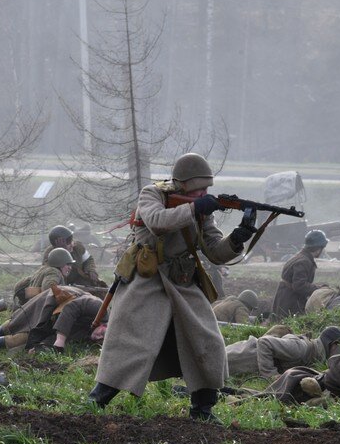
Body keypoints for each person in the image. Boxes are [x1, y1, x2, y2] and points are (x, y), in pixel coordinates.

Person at [88, 152, 255, 421]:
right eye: (200, 188)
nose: (205, 193)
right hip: (146, 281)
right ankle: (97, 401)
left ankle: (203, 409)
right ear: (185, 184)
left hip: (182, 281)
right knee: (131, 345)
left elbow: (214, 251)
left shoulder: (201, 209)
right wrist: (194, 209)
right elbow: (156, 221)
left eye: (207, 188)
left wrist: (238, 237)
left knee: (207, 341)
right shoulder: (152, 194)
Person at [0, 286, 107, 355]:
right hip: (47, 304)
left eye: (101, 341)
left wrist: (41, 347)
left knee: (18, 340)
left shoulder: (90, 334)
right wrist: (60, 340)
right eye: (102, 334)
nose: (98, 338)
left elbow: (68, 336)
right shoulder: (98, 307)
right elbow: (71, 307)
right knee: (14, 325)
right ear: (107, 325)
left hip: (51, 322)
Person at [226, 325, 340, 379]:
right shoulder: (301, 349)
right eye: (339, 346)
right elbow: (264, 342)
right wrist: (271, 374)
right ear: (332, 344)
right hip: (238, 357)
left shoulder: (313, 353)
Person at [271, 229, 328, 319]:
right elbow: (299, 286)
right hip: (290, 302)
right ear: (318, 248)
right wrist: (319, 289)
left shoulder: (301, 257)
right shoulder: (304, 261)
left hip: (286, 298)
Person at [41, 224, 107, 289]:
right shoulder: (49, 254)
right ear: (56, 244)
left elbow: (88, 260)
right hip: (61, 284)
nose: (72, 244)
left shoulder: (78, 247)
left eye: (71, 240)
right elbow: (49, 271)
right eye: (68, 242)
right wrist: (61, 251)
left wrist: (90, 270)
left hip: (80, 281)